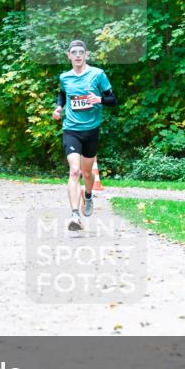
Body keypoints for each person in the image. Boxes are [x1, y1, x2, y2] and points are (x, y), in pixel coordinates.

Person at [52, 40, 118, 231]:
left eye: (81, 52)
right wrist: (58, 108)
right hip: (71, 129)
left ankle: (88, 195)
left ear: (86, 55)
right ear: (69, 55)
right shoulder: (65, 77)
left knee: (88, 173)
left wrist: (99, 99)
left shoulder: (97, 74)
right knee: (75, 171)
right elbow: (63, 95)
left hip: (91, 130)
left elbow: (113, 99)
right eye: (74, 52)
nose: (78, 55)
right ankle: (74, 215)